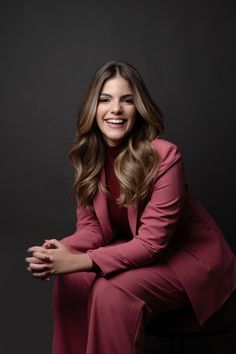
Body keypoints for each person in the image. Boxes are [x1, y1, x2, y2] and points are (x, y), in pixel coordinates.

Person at [26, 61, 236, 354]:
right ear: (92, 108)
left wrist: (79, 260)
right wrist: (60, 252)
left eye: (127, 100)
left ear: (139, 109)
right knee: (71, 278)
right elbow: (92, 229)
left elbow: (152, 244)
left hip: (188, 261)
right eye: (105, 99)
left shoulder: (165, 156)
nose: (116, 109)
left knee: (110, 292)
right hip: (137, 253)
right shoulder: (90, 158)